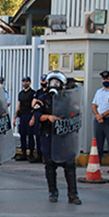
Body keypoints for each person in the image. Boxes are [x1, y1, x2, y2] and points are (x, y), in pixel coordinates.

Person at [31, 71, 82, 204]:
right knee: (50, 163)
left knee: (69, 164)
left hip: (64, 135)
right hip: (49, 134)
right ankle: (53, 192)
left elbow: (75, 114)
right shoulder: (42, 98)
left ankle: (73, 194)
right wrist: (48, 117)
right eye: (52, 82)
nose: (54, 84)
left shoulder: (67, 99)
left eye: (57, 82)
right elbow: (37, 114)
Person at [15, 76, 35, 162]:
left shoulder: (33, 93)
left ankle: (31, 153)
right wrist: (15, 118)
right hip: (22, 115)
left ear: (30, 83)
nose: (25, 83)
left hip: (29, 115)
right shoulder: (21, 93)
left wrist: (33, 118)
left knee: (30, 134)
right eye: (23, 81)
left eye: (26, 81)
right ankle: (23, 153)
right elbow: (18, 105)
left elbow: (34, 106)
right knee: (22, 134)